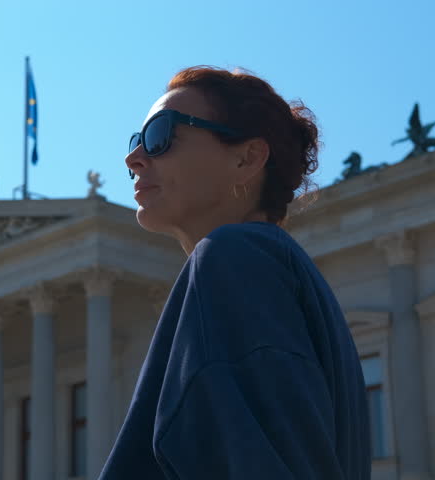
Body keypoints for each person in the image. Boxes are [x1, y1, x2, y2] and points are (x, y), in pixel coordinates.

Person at [98, 66, 371, 479]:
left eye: (160, 136)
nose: (133, 158)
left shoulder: (233, 258)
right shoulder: (268, 268)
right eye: (137, 141)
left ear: (246, 159)